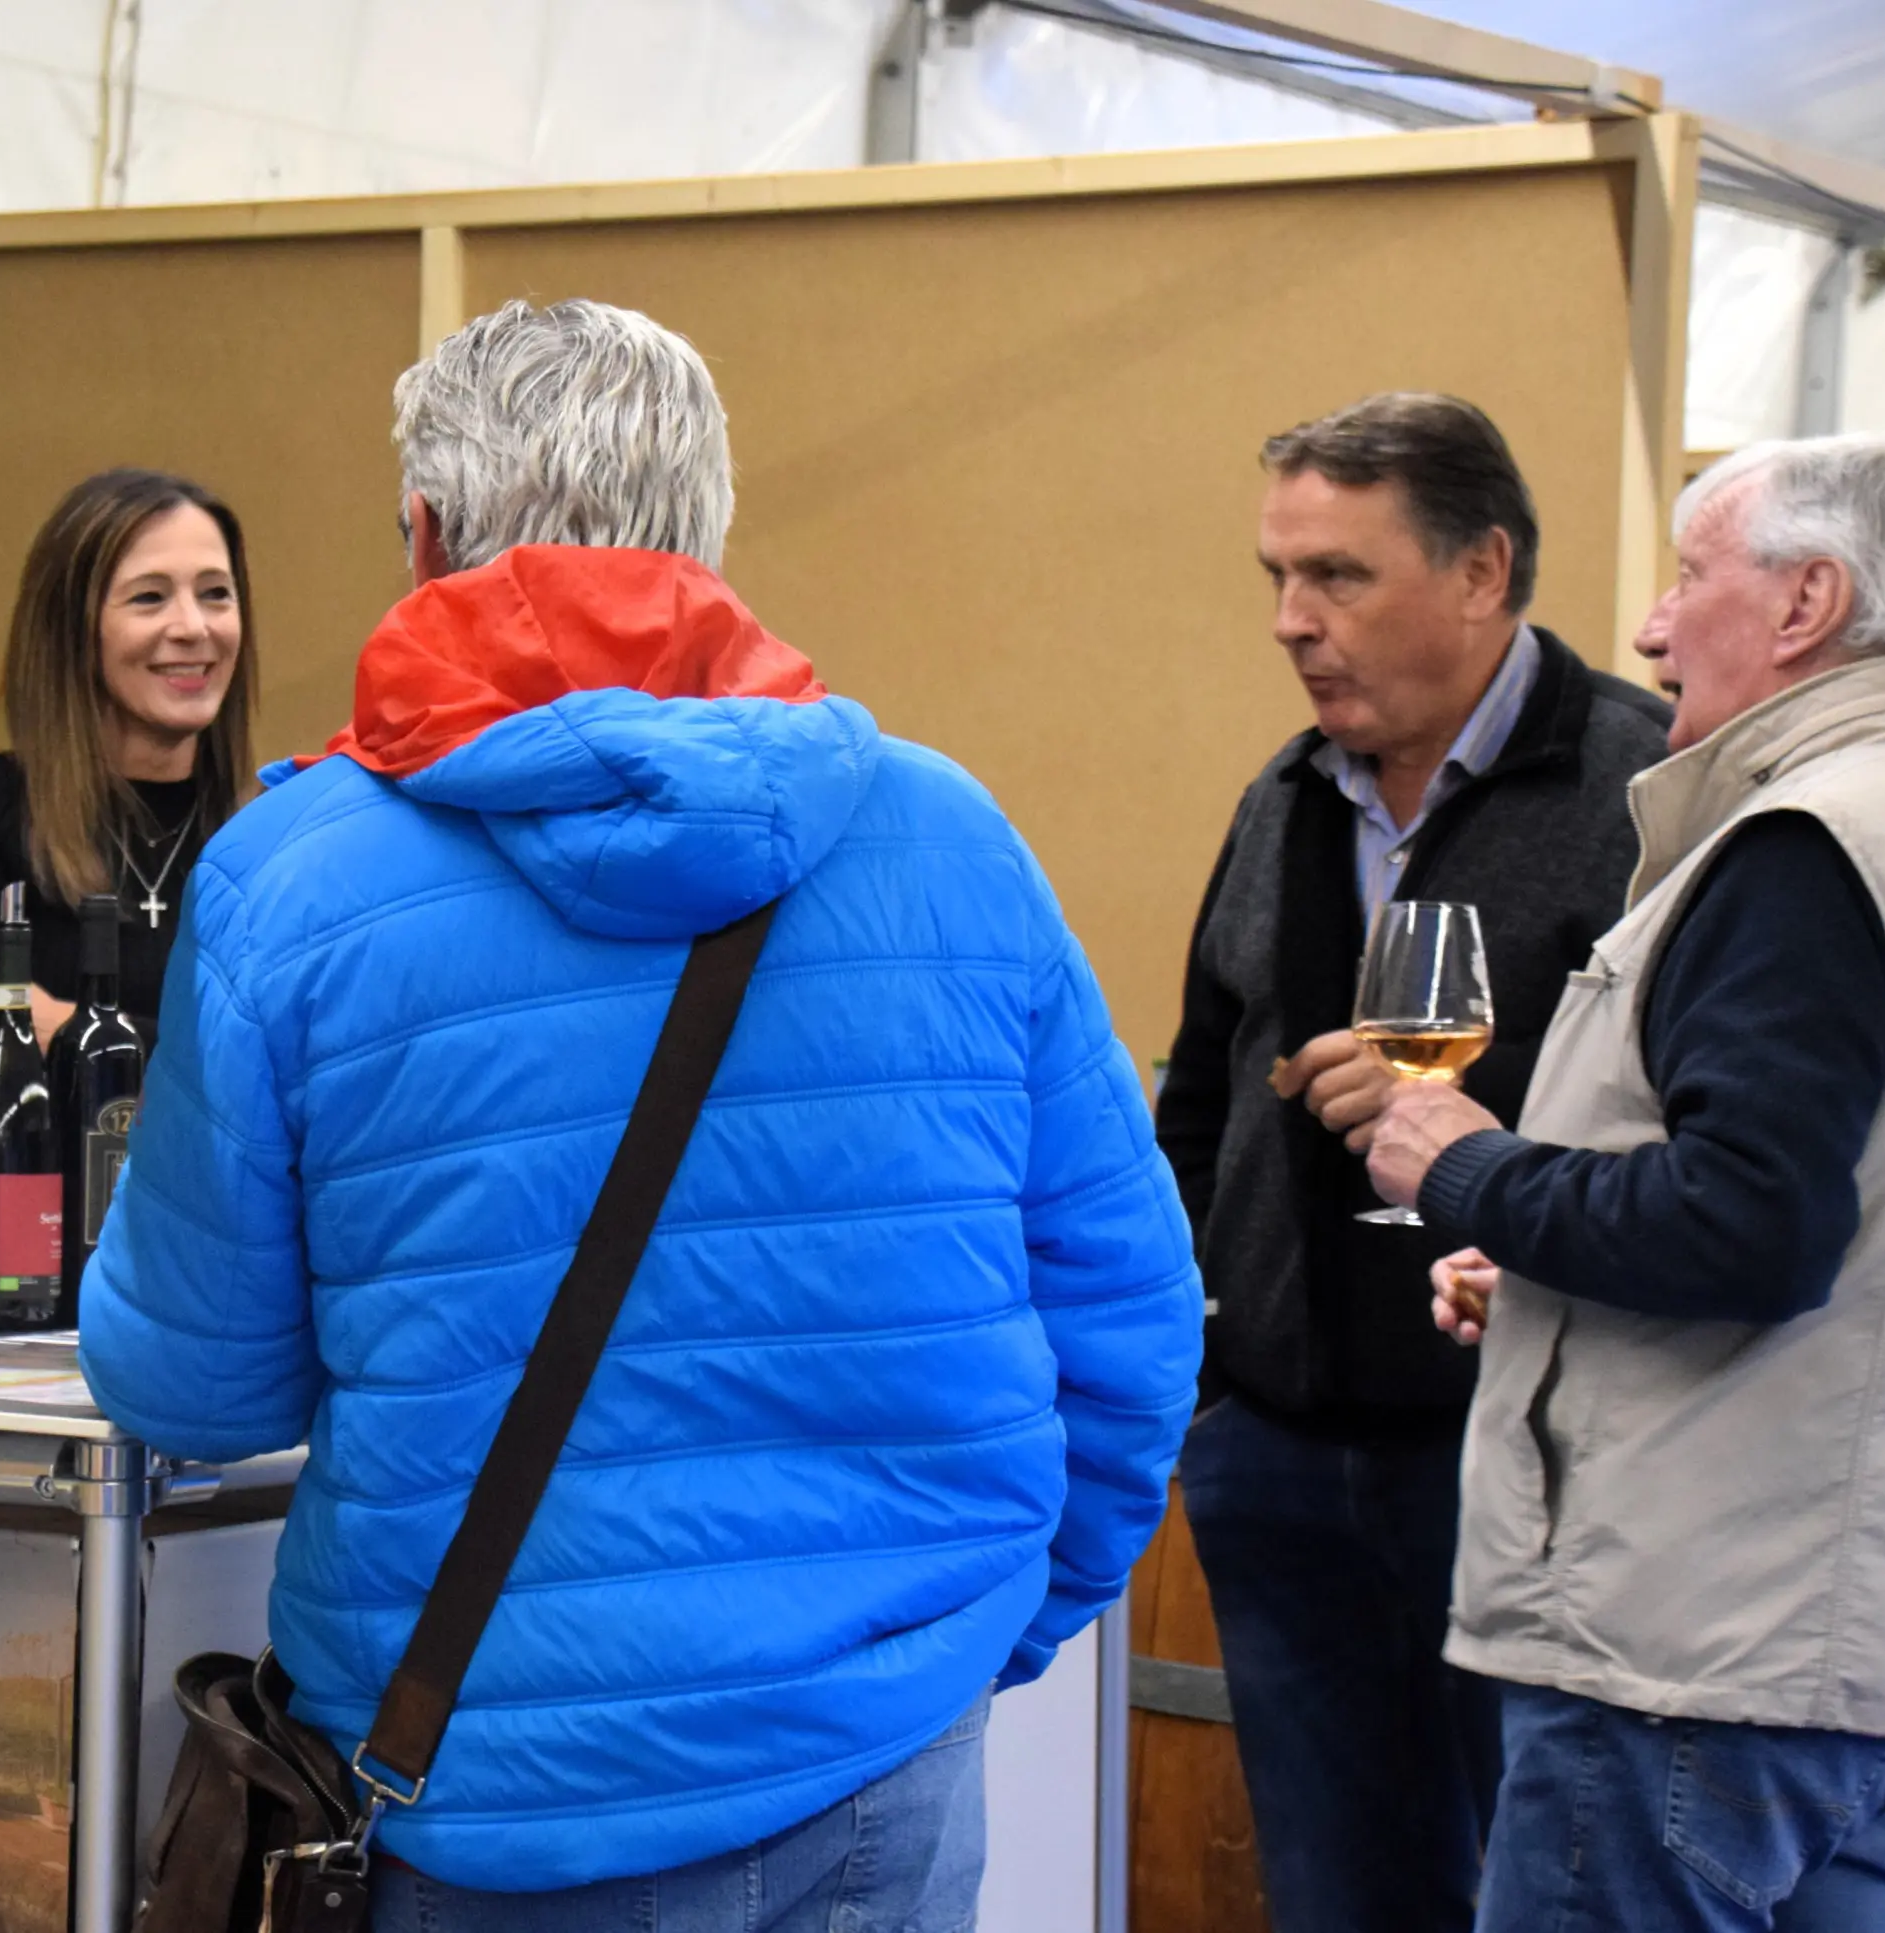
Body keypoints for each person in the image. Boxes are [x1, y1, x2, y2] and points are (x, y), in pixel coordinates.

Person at [78, 296, 1201, 1925]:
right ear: (712, 528)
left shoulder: (290, 885)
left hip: (472, 1788)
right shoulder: (948, 837)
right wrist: (973, 1635)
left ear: (426, 534)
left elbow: (197, 1374)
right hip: (878, 1760)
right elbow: (1138, 1319)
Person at [1369, 433, 1885, 1931]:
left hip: (1694, 1652)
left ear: (1809, 600)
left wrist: (1473, 1172)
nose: (1646, 623)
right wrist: (1558, 1275)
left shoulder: (1811, 841)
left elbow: (1754, 1224)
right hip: (1882, 1650)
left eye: (1692, 574)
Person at [1153, 392, 1669, 1932]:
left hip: (1526, 1476)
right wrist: (1207, 1376)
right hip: (1281, 1463)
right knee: (1337, 1896)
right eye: (1277, 580)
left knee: (1550, 1893)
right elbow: (1199, 1098)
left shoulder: (1646, 800)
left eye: (1338, 577)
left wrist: (1465, 1104)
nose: (1292, 624)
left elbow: (1700, 1148)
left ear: (1482, 569)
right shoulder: (1284, 797)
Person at [0, 468, 256, 1043]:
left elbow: (285, 1078)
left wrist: (70, 1032)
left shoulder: (271, 831)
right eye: (150, 597)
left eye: (215, 594)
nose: (193, 627)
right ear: (73, 629)